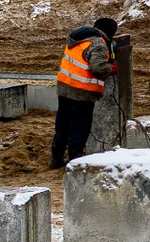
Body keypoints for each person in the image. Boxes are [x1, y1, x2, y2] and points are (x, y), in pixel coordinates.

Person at [51, 15, 118, 166]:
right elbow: (98, 67)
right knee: (80, 126)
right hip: (82, 91)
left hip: (64, 88)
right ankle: (75, 159)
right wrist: (112, 68)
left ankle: (56, 157)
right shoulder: (98, 44)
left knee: (63, 124)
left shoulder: (79, 39)